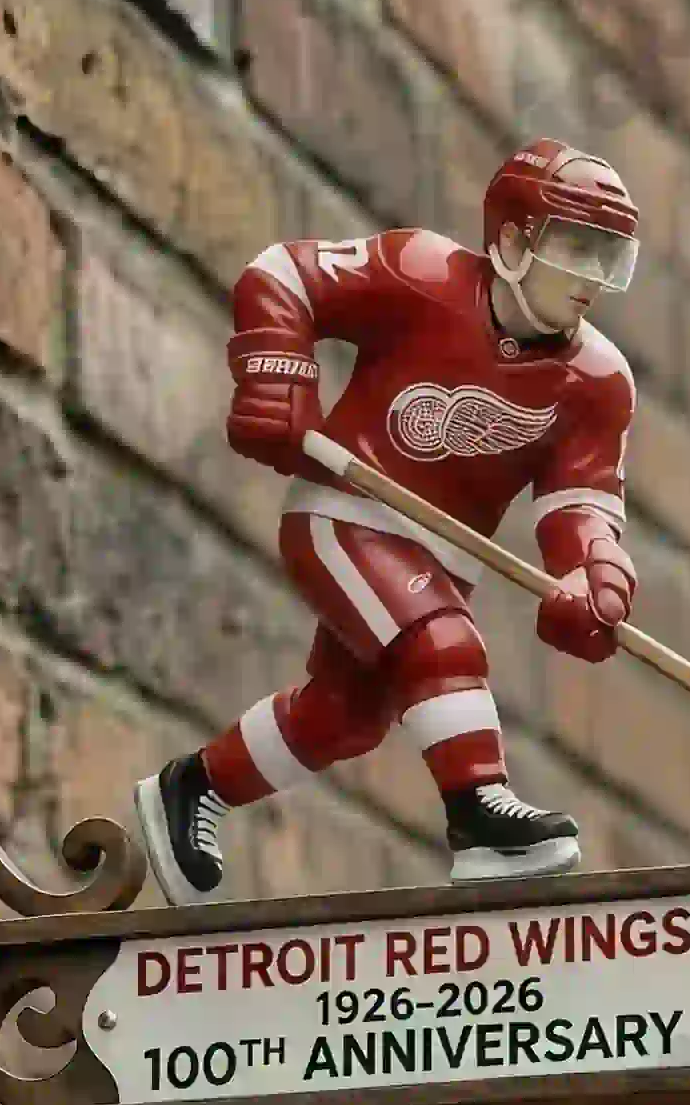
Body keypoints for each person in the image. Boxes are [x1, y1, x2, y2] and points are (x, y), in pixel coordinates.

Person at [134, 140, 642, 905]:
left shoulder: (598, 383)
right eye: (576, 250)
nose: (592, 281)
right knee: (443, 642)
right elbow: (283, 275)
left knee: (343, 718)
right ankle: (478, 813)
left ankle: (190, 788)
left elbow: (581, 507)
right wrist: (277, 370)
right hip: (347, 514)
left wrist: (594, 576)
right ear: (511, 241)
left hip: (440, 560)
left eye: (608, 257)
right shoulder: (423, 272)